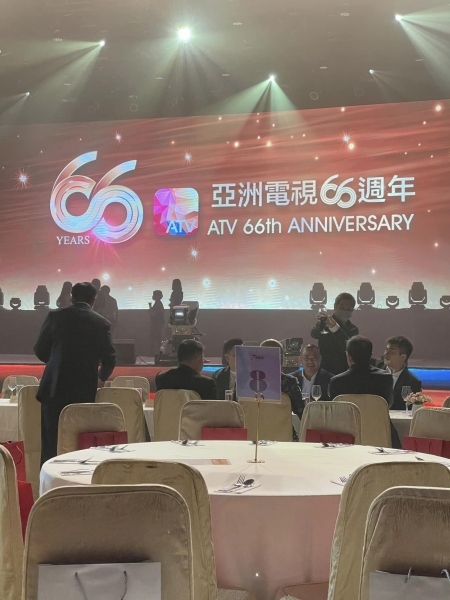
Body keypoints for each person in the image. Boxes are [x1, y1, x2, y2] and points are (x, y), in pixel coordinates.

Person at [34, 282, 116, 465]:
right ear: (93, 300)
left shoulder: (55, 316)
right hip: (84, 389)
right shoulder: (102, 323)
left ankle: (48, 477)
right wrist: (100, 377)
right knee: (80, 442)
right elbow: (110, 359)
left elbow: (40, 349)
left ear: (71, 298)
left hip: (54, 387)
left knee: (51, 442)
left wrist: (56, 362)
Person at [329, 335, 401, 448]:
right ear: (370, 355)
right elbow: (387, 404)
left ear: (348, 356)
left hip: (347, 436)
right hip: (380, 435)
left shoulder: (336, 381)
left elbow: (335, 411)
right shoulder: (385, 378)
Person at [311, 292, 359, 375]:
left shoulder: (353, 329)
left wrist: (334, 327)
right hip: (325, 371)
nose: (345, 311)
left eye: (348, 309)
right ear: (335, 306)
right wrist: (322, 323)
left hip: (345, 372)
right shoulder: (324, 322)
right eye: (342, 307)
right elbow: (314, 333)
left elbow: (350, 347)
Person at [260, 339, 305, 420]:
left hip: (252, 428)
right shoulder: (289, 383)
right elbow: (302, 414)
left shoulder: (245, 383)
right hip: (282, 428)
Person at [383, 336, 422, 410]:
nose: (386, 354)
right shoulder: (374, 373)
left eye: (391, 352)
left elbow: (413, 410)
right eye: (386, 350)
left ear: (403, 357)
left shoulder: (413, 382)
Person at [149, 290, 165, 356]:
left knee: (156, 338)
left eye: (154, 295)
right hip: (157, 323)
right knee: (157, 338)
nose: (153, 296)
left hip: (157, 323)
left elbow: (154, 313)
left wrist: (151, 309)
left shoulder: (158, 304)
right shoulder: (158, 303)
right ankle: (158, 353)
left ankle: (158, 353)